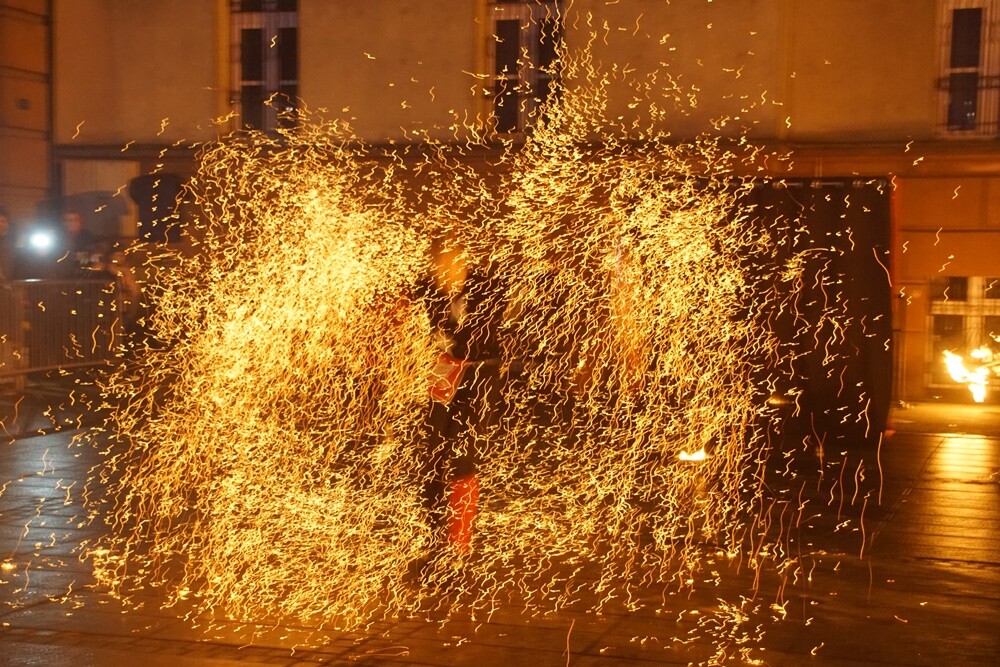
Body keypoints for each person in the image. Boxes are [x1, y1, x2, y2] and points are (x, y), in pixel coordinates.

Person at [416, 242, 508, 578]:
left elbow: (493, 327)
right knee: (431, 458)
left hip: (478, 381)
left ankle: (457, 547)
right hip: (441, 380)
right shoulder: (426, 291)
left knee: (463, 459)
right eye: (438, 265)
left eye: (450, 263)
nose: (443, 271)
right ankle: (432, 541)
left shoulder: (487, 288)